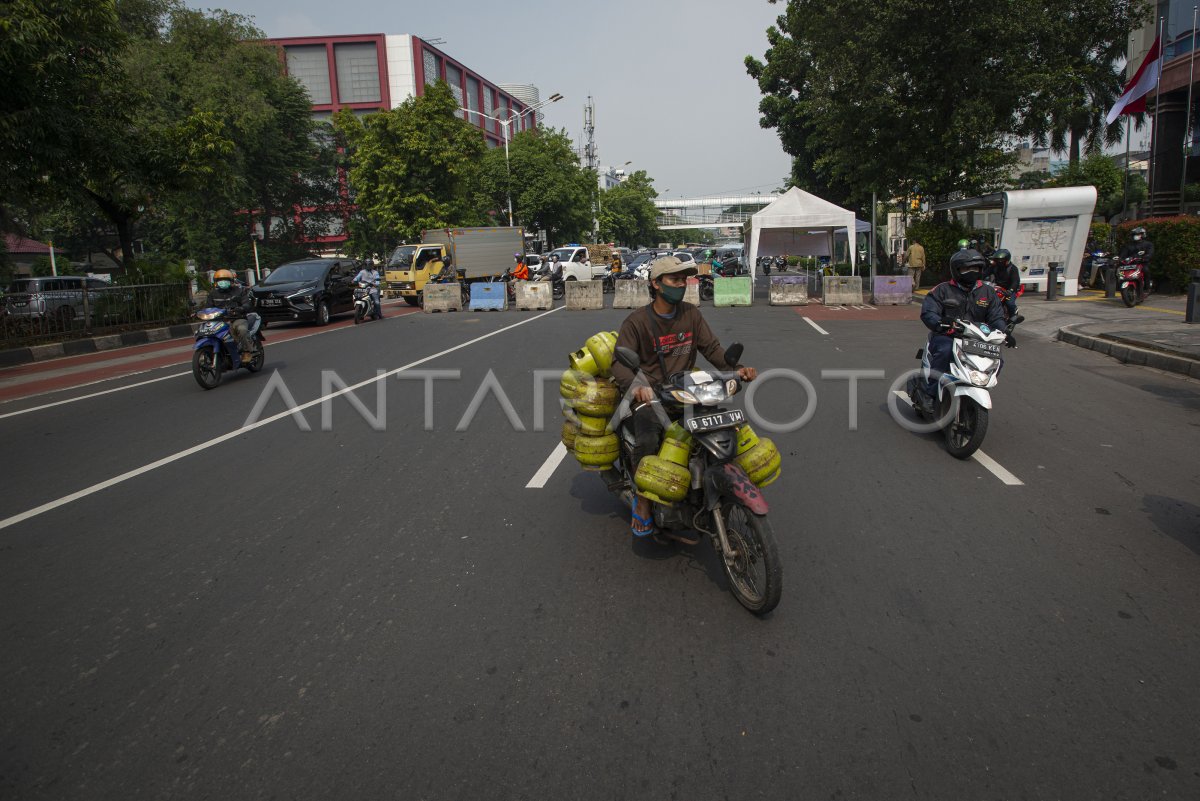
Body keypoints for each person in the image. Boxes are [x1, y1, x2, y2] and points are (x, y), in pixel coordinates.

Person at [610, 256, 758, 543]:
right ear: (656, 284)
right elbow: (619, 362)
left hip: (686, 390)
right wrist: (637, 387)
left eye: (683, 279)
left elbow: (712, 349)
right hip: (651, 395)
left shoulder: (691, 314)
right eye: (674, 279)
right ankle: (643, 502)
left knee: (721, 428)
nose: (681, 284)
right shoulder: (637, 321)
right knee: (649, 438)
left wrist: (736, 371)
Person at [917, 249, 1006, 415]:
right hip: (948, 336)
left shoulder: (987, 292)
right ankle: (929, 394)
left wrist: (1004, 332)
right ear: (956, 270)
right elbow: (928, 312)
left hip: (977, 339)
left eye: (976, 269)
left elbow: (997, 317)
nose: (971, 273)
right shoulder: (942, 290)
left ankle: (980, 386)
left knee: (998, 359)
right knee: (943, 352)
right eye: (966, 269)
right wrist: (940, 322)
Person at [208, 269, 255, 363]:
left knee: (241, 329)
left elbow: (247, 304)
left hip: (236, 318)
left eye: (225, 280)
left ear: (231, 281)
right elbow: (208, 307)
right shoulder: (212, 294)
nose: (223, 282)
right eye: (220, 280)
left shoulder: (239, 291)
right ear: (216, 282)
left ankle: (247, 351)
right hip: (220, 321)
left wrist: (240, 309)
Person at [986, 248, 1022, 324]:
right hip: (997, 287)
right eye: (997, 260)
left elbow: (1015, 281)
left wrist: (1010, 290)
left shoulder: (1013, 268)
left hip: (1009, 289)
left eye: (1000, 260)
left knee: (1009, 303)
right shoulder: (994, 267)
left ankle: (1013, 317)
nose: (999, 262)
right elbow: (984, 274)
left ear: (1006, 260)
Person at [1119, 226, 1154, 299]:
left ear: (1142, 235)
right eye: (1134, 235)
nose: (1136, 236)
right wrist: (1120, 259)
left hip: (1142, 263)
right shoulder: (1128, 245)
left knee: (1145, 270)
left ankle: (1147, 288)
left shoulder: (1148, 244)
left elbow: (1150, 253)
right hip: (1130, 264)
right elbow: (1123, 255)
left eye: (1138, 234)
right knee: (1119, 273)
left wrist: (1145, 257)